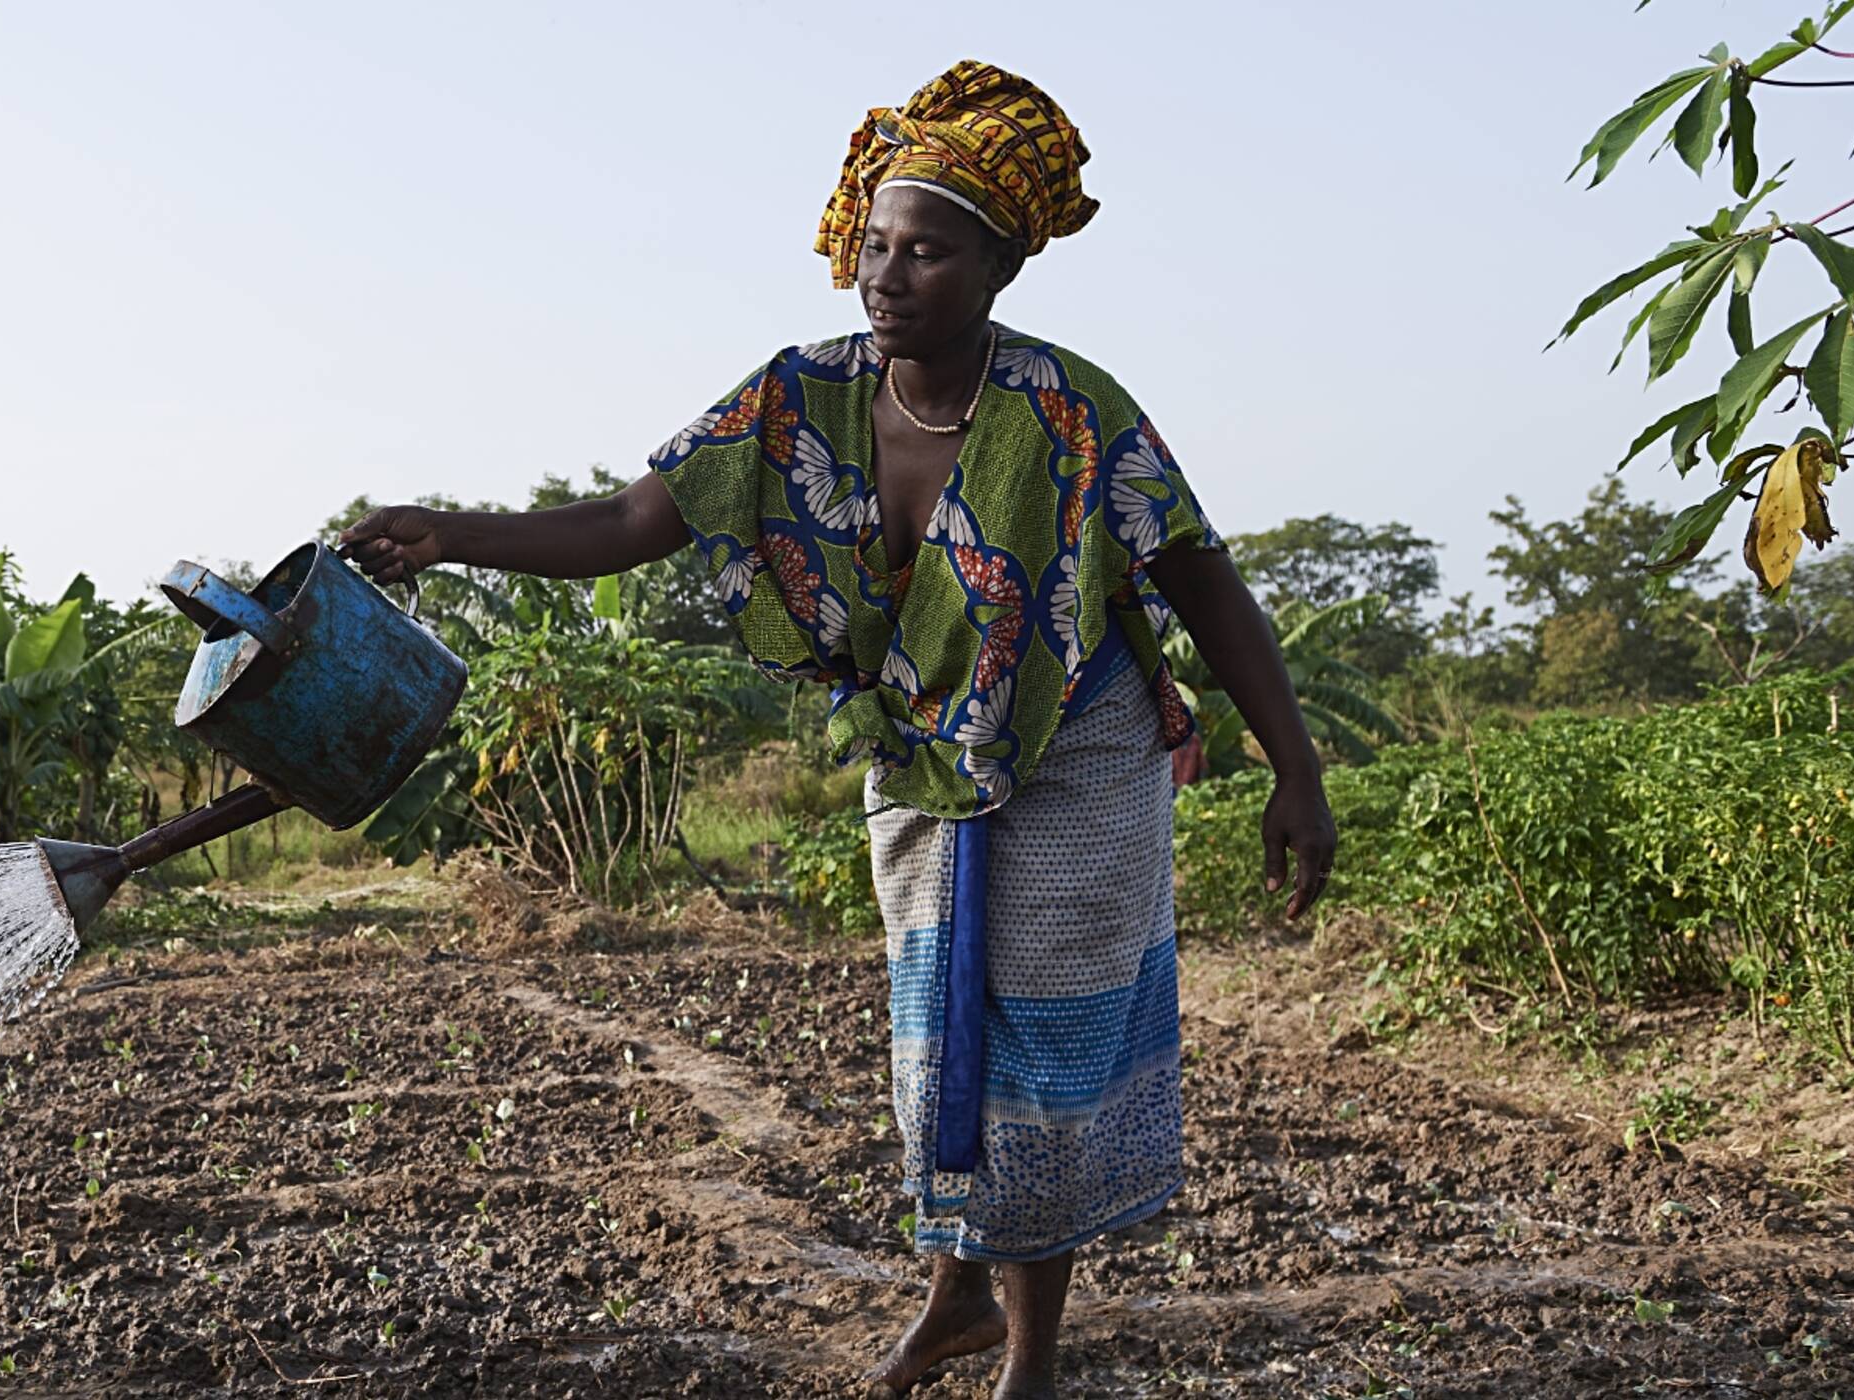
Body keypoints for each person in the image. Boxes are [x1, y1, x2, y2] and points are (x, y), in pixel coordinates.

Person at [339, 60, 1336, 1400]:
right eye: (876, 244)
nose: (890, 275)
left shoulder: (1073, 411)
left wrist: (1299, 770)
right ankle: (955, 1301)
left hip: (1076, 744)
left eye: (929, 252)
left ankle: (1032, 1355)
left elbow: (1206, 585)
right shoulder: (796, 395)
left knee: (1042, 1044)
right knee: (938, 1040)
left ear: (996, 270)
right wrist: (451, 533)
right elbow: (639, 520)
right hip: (922, 748)